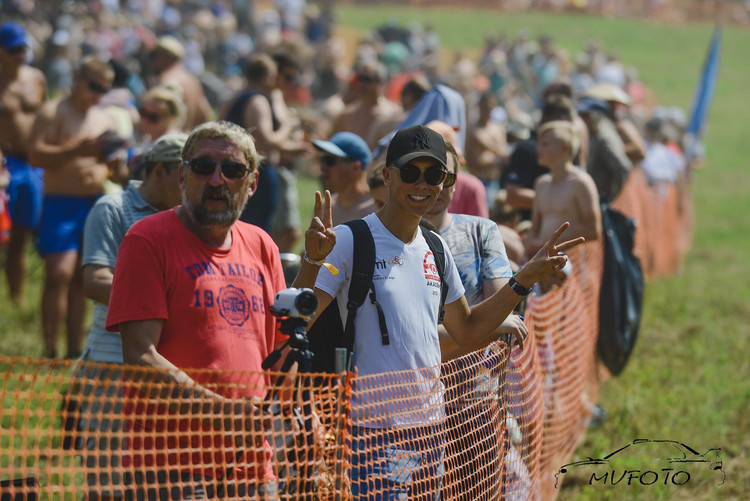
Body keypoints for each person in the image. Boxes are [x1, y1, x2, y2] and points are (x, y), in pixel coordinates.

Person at [307, 125, 583, 499]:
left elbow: (467, 330)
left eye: (434, 174)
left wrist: (523, 279)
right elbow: (299, 318)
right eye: (411, 172)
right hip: (371, 432)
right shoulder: (348, 240)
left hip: (430, 430)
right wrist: (311, 261)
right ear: (387, 176)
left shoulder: (435, 247)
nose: (423, 184)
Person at [105, 121, 335, 500]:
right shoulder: (147, 239)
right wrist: (225, 414)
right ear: (182, 174)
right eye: (202, 167)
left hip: (254, 466)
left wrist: (303, 417)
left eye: (231, 170)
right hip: (172, 471)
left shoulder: (261, 243)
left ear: (252, 183)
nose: (217, 179)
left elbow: (282, 349)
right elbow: (140, 356)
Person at [75, 133, 187, 500]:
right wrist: (161, 302)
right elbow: (95, 280)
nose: (193, 186)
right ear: (159, 171)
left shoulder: (190, 218)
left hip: (171, 364)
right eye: (184, 176)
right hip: (112, 362)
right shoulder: (113, 208)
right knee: (108, 482)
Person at [421, 139, 523, 500]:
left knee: (475, 491)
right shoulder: (390, 240)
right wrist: (491, 323)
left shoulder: (481, 231)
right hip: (408, 397)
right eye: (422, 175)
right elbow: (496, 320)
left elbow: (500, 306)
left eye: (442, 176)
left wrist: (495, 321)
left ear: (456, 180)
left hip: (473, 394)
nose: (433, 187)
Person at [29, 55, 123, 359]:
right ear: (78, 81)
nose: (98, 94)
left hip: (93, 202)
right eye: (94, 86)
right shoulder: (53, 111)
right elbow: (36, 155)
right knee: (58, 273)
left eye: (104, 89)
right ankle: (50, 349)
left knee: (84, 278)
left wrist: (112, 167)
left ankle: (73, 349)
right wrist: (77, 150)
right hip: (60, 201)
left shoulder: (103, 117)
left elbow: (112, 164)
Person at [220, 52, 309, 251]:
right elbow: (267, 142)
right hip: (255, 175)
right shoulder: (258, 101)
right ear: (266, 77)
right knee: (256, 234)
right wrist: (288, 125)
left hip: (229, 171)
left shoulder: (232, 98)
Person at [0, 21, 47, 305]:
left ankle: (16, 300)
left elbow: (42, 118)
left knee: (22, 236)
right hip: (5, 165)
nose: (21, 54)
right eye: (14, 49)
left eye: (23, 48)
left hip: (31, 165)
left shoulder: (36, 78)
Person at [525, 120, 602, 257]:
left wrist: (547, 244)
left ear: (565, 148)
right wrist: (530, 248)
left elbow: (593, 230)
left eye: (545, 144)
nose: (538, 149)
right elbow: (534, 228)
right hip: (543, 261)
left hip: (570, 263)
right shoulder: (541, 183)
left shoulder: (581, 182)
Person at [331, 60, 403, 148]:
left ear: (379, 82)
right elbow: (335, 144)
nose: (361, 84)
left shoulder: (393, 114)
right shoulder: (347, 114)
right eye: (359, 78)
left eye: (366, 79)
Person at [148, 36, 213, 131]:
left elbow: (158, 118)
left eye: (153, 56)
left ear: (162, 56)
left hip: (170, 140)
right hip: (187, 139)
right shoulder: (192, 80)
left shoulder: (167, 80)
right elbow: (205, 113)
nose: (152, 61)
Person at [577, 96, 633, 204]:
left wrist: (614, 199)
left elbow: (624, 168)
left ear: (594, 116)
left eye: (584, 115)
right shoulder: (595, 135)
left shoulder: (604, 137)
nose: (581, 119)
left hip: (605, 202)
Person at [312, 131, 375, 224]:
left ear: (355, 168)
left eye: (330, 161)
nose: (323, 168)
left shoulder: (377, 209)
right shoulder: (324, 208)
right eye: (322, 160)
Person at [464, 90, 508, 206]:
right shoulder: (472, 129)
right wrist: (495, 158)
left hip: (492, 180)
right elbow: (471, 160)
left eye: (490, 106)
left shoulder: (498, 129)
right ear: (479, 106)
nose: (487, 109)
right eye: (484, 106)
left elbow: (504, 155)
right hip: (477, 177)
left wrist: (485, 144)